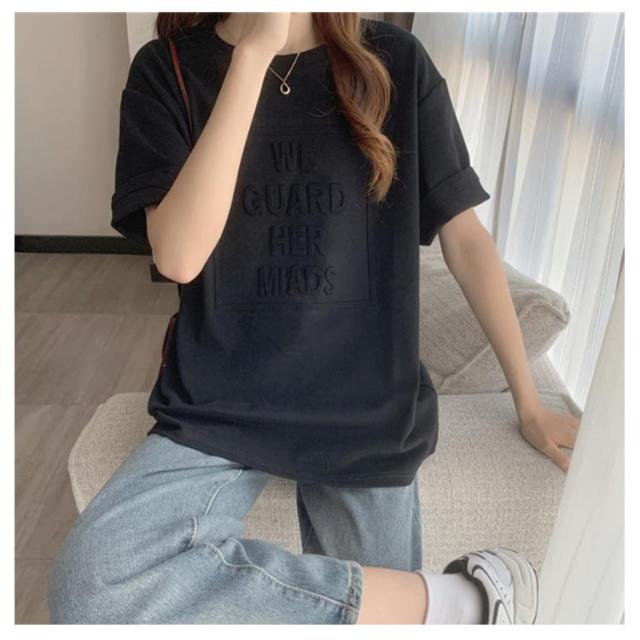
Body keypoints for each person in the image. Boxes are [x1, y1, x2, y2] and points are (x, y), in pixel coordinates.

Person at [47, 12, 580, 624]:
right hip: (221, 401)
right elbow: (179, 255)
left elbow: (466, 239)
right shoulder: (165, 69)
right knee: (91, 583)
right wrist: (254, 54)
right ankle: (469, 602)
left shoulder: (396, 61)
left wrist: (528, 401)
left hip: (364, 406)